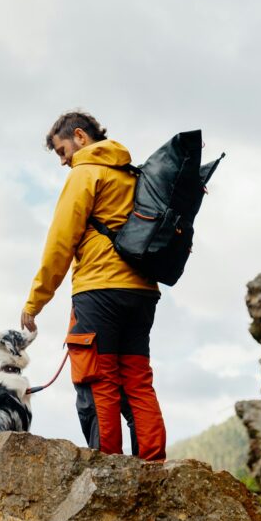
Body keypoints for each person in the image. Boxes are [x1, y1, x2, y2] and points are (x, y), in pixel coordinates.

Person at [20, 111, 167, 461]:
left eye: (61, 150)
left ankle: (110, 471)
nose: (62, 160)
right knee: (137, 381)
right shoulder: (134, 175)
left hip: (99, 291)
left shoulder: (84, 175)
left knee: (97, 381)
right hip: (143, 292)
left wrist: (34, 302)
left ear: (81, 137)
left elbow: (60, 243)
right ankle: (154, 468)